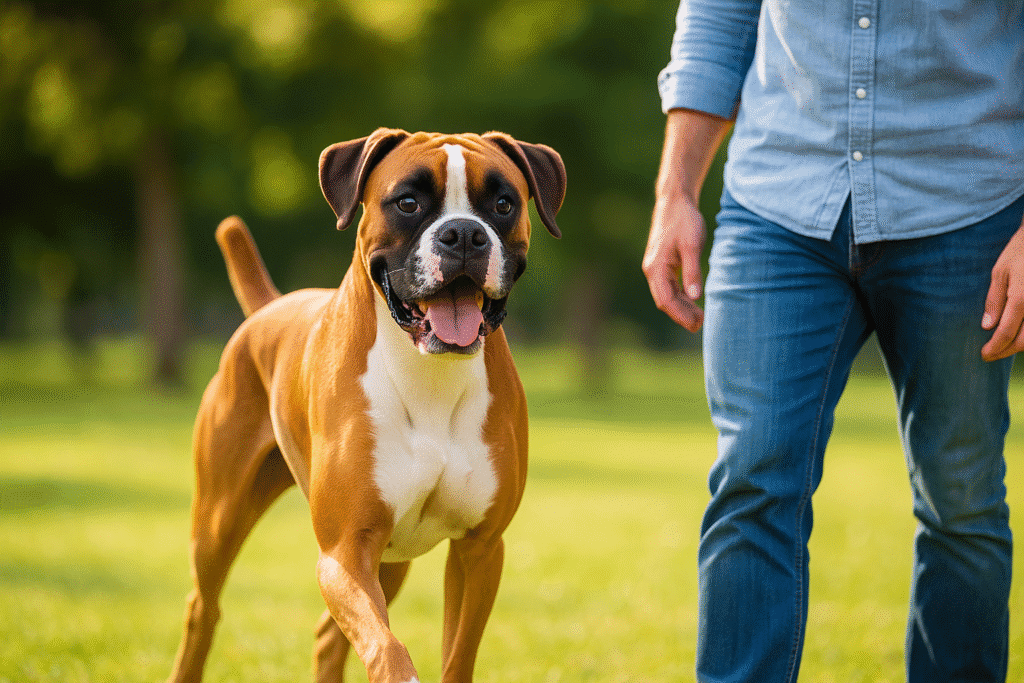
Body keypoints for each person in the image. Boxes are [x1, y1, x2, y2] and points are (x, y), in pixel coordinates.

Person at [644, 1, 1024, 681]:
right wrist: (675, 192)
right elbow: (718, 15)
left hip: (968, 205)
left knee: (960, 498)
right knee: (752, 480)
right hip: (778, 203)